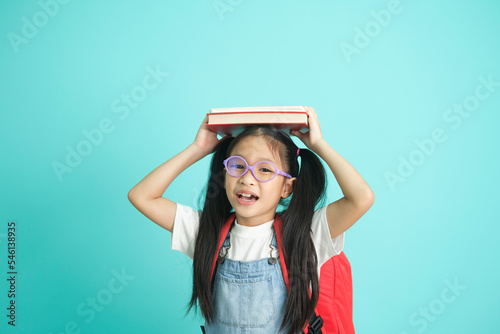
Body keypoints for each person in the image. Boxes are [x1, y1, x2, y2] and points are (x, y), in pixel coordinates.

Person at [128, 106, 375, 333]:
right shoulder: (206, 232)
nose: (247, 178)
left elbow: (361, 198)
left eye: (265, 169)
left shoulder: (306, 234)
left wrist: (319, 144)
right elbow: (142, 196)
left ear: (287, 187)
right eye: (237, 165)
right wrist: (197, 149)